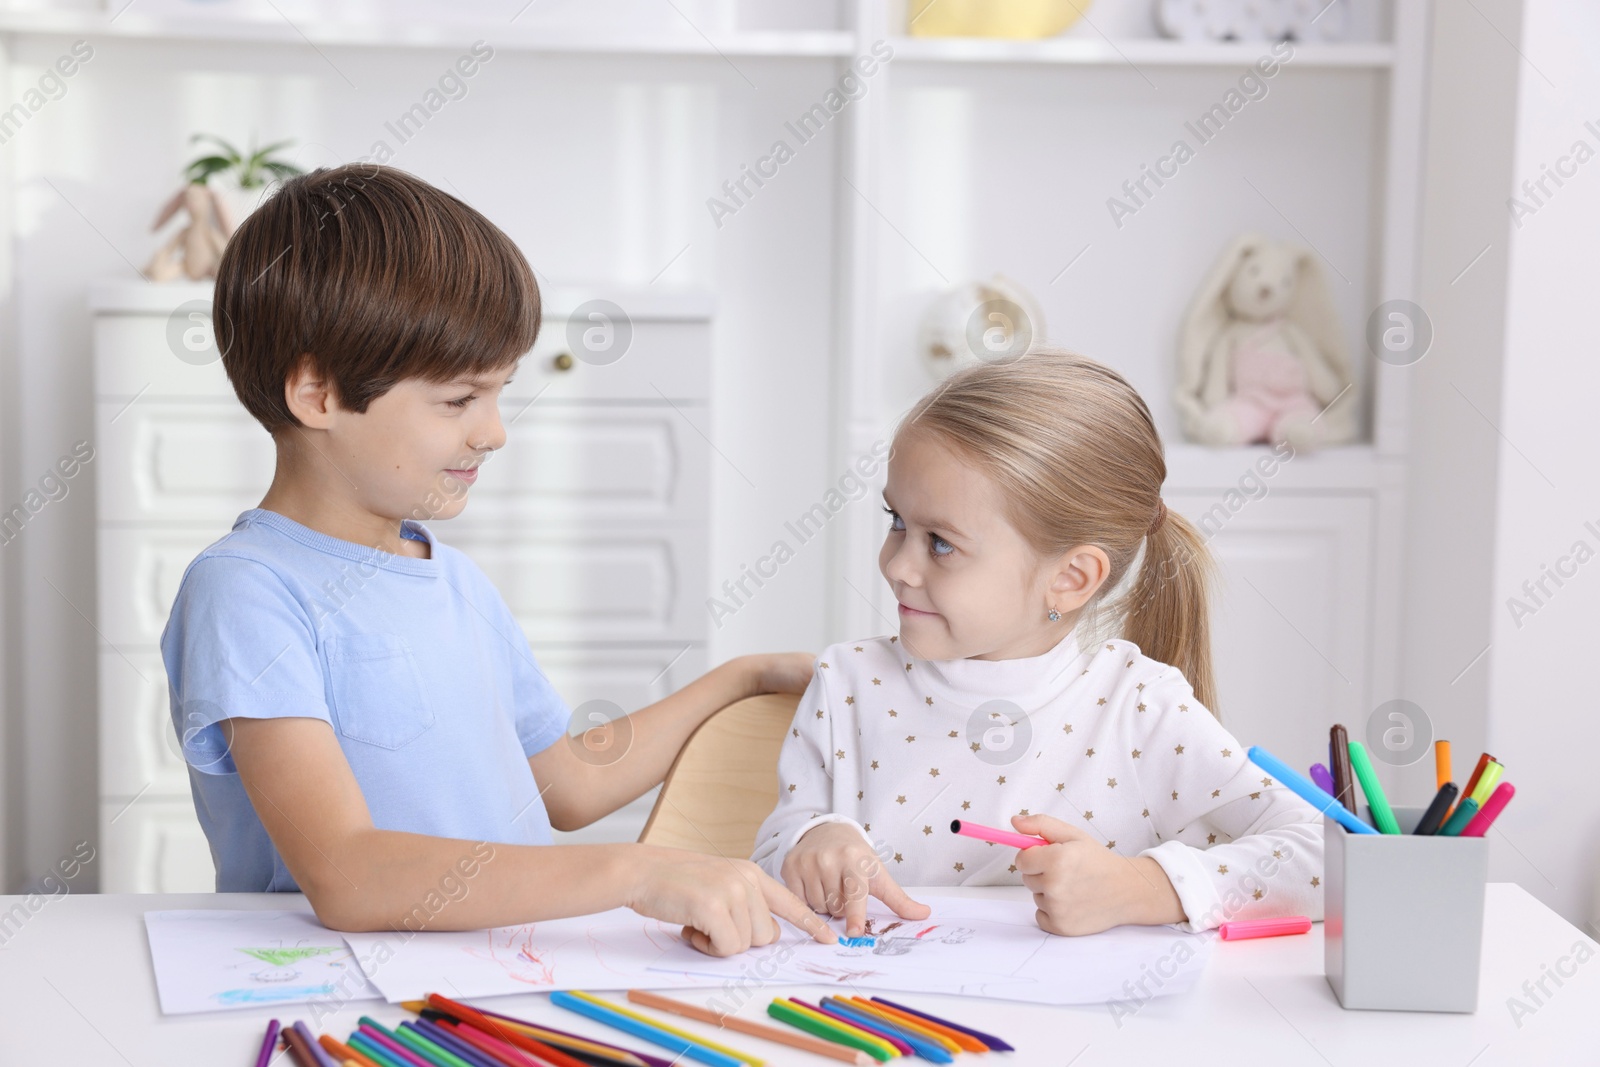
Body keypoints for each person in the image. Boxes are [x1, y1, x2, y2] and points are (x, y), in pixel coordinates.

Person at [161, 163, 833, 956]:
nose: (495, 431)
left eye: (500, 392)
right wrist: (634, 872)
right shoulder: (246, 591)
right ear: (317, 394)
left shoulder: (450, 577)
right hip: (347, 991)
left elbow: (572, 784)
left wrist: (741, 677)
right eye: (458, 400)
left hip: (493, 972)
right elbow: (347, 874)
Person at [752, 350, 1322, 938]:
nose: (897, 565)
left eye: (941, 543)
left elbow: (1328, 858)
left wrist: (1143, 888)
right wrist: (810, 841)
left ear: (1071, 578)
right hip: (888, 1019)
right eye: (897, 521)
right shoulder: (848, 683)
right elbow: (771, 851)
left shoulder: (1140, 708)